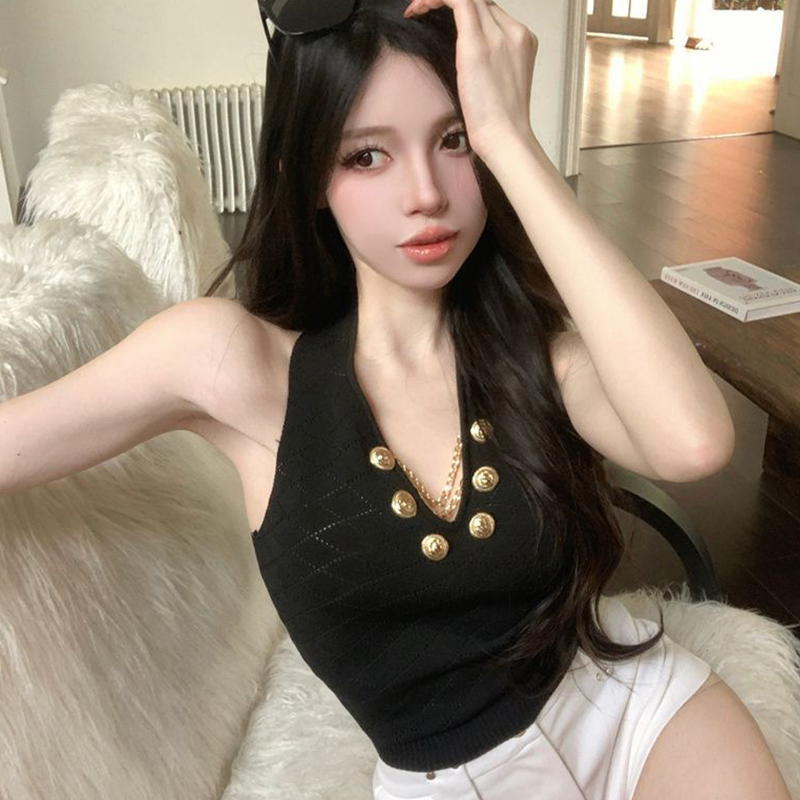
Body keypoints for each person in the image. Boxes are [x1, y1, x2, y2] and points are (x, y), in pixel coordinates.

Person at [1, 0, 790, 798]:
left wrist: (513, 142)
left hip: (634, 711)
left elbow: (694, 443)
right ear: (311, 174)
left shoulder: (539, 360)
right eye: (367, 155)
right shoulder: (237, 366)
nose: (425, 194)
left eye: (455, 140)